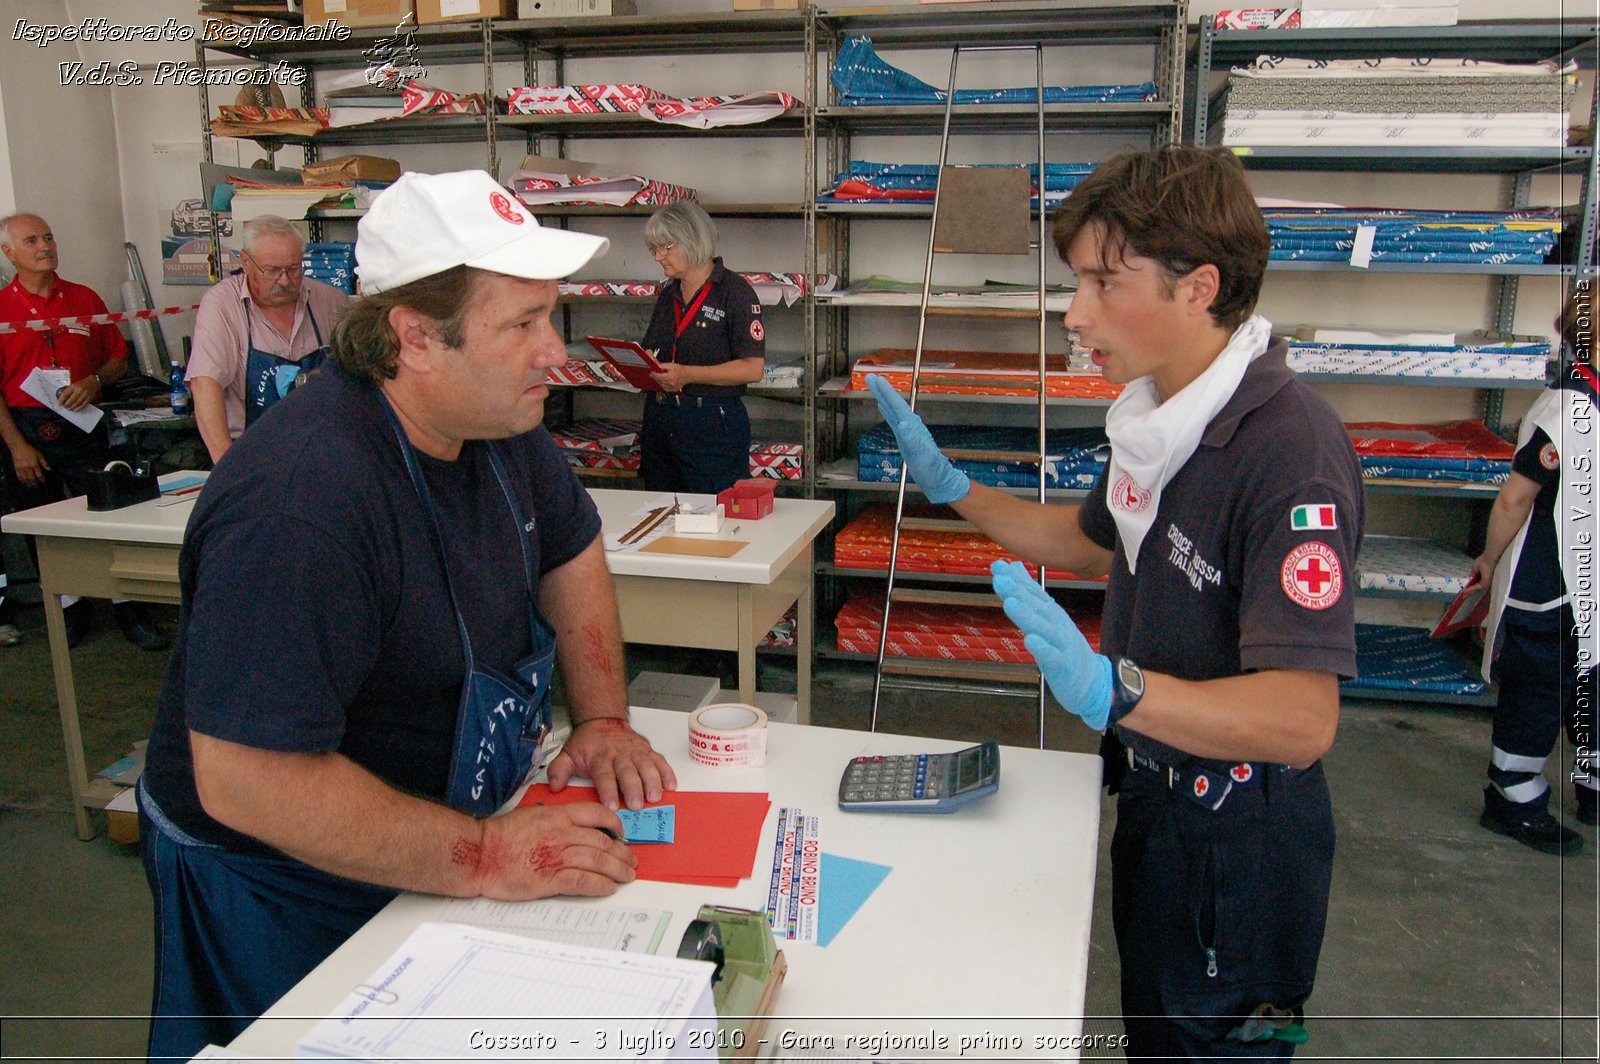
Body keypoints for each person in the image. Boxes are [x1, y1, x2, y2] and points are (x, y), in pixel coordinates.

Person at [136, 170, 677, 1061]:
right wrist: (487, 857)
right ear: (415, 337)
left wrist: (605, 716)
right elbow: (247, 778)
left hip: (435, 835)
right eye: (522, 325)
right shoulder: (300, 503)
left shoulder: (503, 423)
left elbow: (571, 548)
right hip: (278, 879)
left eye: (552, 316)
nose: (557, 354)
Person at [867, 146, 1363, 1058]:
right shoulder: (1160, 420)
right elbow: (1087, 538)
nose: (1076, 311)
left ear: (1198, 287)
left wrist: (1118, 689)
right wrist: (953, 488)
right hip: (1156, 799)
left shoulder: (1290, 449)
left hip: (1242, 844)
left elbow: (1303, 717)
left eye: (1103, 283)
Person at [1468, 284, 1598, 854]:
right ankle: (1513, 798)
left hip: (1584, 583)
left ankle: (1591, 783)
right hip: (1548, 587)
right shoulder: (1567, 409)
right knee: (1538, 695)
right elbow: (1515, 499)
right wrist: (1490, 562)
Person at [0, 213, 167, 651]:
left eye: (49, 237)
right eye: (31, 240)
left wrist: (94, 381)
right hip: (27, 430)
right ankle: (69, 607)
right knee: (45, 522)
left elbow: (116, 359)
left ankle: (127, 603)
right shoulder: (2, 310)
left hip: (82, 422)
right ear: (9, 253)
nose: (44, 246)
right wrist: (17, 447)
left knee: (108, 510)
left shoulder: (83, 297)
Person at [187, 214, 351, 463]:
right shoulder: (222, 305)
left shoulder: (330, 301)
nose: (285, 280)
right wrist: (227, 468)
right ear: (245, 262)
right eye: (272, 270)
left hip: (323, 455)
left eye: (294, 269)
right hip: (254, 459)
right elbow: (205, 385)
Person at [638, 201, 765, 493]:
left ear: (692, 240)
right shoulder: (667, 293)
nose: (658, 257)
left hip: (711, 423)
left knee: (713, 518)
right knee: (660, 514)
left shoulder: (735, 293)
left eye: (666, 248)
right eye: (654, 249)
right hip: (661, 420)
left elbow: (753, 368)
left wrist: (687, 375)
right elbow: (653, 351)